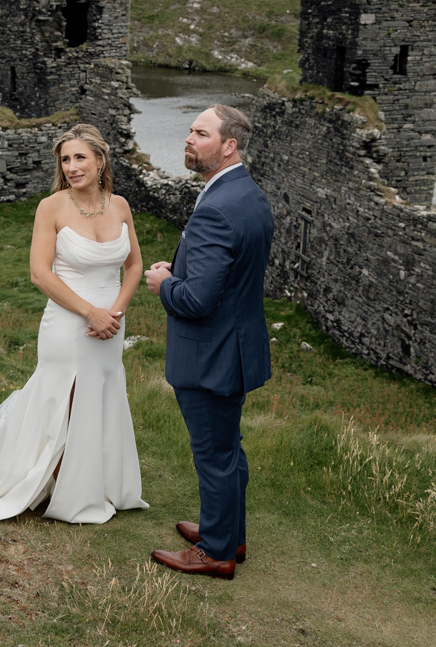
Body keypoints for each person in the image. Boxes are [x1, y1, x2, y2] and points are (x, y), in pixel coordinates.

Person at [0, 123, 149, 523]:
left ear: (100, 160)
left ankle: (100, 483)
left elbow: (133, 265)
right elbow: (40, 274)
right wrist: (90, 313)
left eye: (80, 157)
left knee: (101, 394)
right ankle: (57, 483)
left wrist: (115, 311)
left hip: (110, 325)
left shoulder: (120, 206)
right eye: (65, 159)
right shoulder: (51, 207)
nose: (71, 166)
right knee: (64, 398)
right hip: (68, 323)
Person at [143, 104, 275, 580]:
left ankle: (216, 552)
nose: (189, 139)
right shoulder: (247, 194)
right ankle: (228, 533)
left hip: (210, 355)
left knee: (214, 455)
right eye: (190, 130)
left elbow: (197, 300)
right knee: (228, 448)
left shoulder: (216, 208)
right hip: (235, 347)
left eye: (201, 133)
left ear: (229, 145)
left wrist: (163, 283)